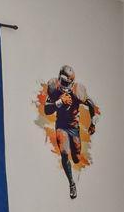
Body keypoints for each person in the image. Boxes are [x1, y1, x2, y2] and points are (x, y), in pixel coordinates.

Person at [34, 66, 99, 200]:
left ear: (72, 82)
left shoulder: (77, 90)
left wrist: (92, 123)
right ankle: (72, 184)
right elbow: (47, 110)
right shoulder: (54, 87)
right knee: (64, 152)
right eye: (62, 81)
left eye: (66, 82)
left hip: (74, 127)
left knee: (76, 158)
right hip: (61, 126)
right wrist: (59, 102)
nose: (63, 86)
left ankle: (75, 159)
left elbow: (91, 105)